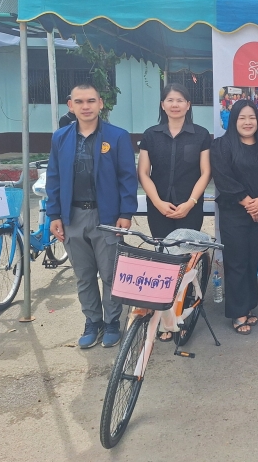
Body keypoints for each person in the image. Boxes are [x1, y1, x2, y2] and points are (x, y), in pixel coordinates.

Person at [47, 83, 138, 349]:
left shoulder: (117, 136)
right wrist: (54, 214)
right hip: (72, 216)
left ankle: (112, 322)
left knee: (110, 273)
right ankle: (92, 321)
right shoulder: (60, 138)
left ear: (100, 103)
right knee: (84, 275)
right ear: (70, 105)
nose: (85, 106)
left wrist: (126, 212)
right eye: (79, 102)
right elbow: (54, 177)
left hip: (106, 216)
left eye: (90, 101)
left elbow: (127, 177)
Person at [211, 100, 258, 335]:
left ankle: (249, 305)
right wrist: (249, 203)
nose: (247, 122)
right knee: (237, 262)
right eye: (242, 117)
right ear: (234, 120)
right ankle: (237, 312)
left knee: (252, 260)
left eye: (252, 117)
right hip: (234, 212)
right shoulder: (221, 145)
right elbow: (223, 178)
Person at [138, 83, 212, 239]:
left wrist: (191, 202)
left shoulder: (201, 134)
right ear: (162, 105)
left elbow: (206, 173)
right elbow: (143, 173)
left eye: (180, 100)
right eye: (170, 100)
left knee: (188, 250)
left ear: (188, 105)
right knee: (163, 250)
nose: (175, 105)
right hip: (158, 207)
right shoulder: (150, 135)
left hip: (190, 207)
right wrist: (158, 203)